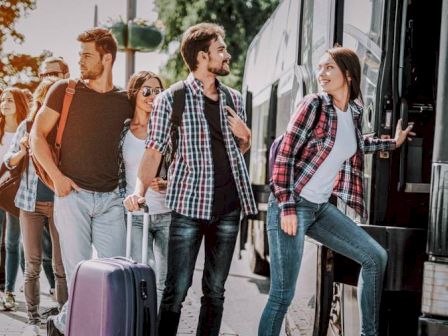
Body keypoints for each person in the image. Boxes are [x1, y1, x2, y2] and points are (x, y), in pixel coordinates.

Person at [258, 47, 415, 336]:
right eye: (320, 68)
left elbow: (354, 144)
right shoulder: (313, 105)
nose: (321, 74)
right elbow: (285, 156)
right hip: (292, 204)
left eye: (329, 67)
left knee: (375, 257)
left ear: (348, 74)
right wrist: (288, 207)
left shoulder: (352, 112)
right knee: (282, 294)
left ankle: (369, 333)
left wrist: (392, 143)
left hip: (319, 209)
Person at [124, 23, 257, 336]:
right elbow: (154, 152)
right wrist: (138, 191)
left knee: (215, 291)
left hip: (228, 209)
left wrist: (247, 136)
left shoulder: (234, 99)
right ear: (202, 56)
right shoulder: (171, 100)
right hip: (188, 209)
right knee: (176, 290)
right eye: (220, 50)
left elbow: (241, 148)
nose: (227, 55)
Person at [30, 27, 133, 335]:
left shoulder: (124, 100)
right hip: (72, 196)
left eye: (87, 56)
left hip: (111, 201)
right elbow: (36, 136)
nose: (81, 62)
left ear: (107, 57)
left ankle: (60, 325)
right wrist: (57, 178)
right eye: (80, 56)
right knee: (78, 281)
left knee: (115, 278)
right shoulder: (65, 90)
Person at [4, 77, 68, 336]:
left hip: (60, 204)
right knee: (31, 265)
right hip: (30, 204)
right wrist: (21, 151)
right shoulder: (27, 126)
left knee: (60, 266)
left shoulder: (67, 127)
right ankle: (32, 320)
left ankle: (64, 318)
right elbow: (9, 162)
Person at [120, 71, 170, 309]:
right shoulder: (122, 131)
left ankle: (155, 327)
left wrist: (169, 182)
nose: (152, 96)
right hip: (136, 216)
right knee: (142, 273)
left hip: (168, 213)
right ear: (135, 93)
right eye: (146, 91)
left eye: (158, 91)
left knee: (163, 281)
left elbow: (186, 166)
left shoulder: (170, 130)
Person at [0, 87, 28, 310]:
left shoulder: (25, 129)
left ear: (19, 103)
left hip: (14, 193)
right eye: (3, 100)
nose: (5, 103)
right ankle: (6, 288)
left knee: (12, 242)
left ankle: (11, 290)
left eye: (10, 100)